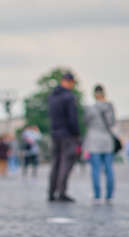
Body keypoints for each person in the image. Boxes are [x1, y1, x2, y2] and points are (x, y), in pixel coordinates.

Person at [48, 72, 80, 202]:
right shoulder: (69, 97)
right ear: (70, 82)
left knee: (55, 163)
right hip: (67, 134)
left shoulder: (52, 97)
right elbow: (73, 119)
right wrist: (77, 133)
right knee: (66, 163)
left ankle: (51, 192)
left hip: (55, 133)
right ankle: (61, 192)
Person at [83, 85, 116, 203]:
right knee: (109, 169)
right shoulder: (109, 106)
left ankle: (97, 195)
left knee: (95, 169)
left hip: (94, 141)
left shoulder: (90, 108)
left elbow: (85, 122)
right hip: (107, 141)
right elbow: (112, 123)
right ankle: (109, 195)